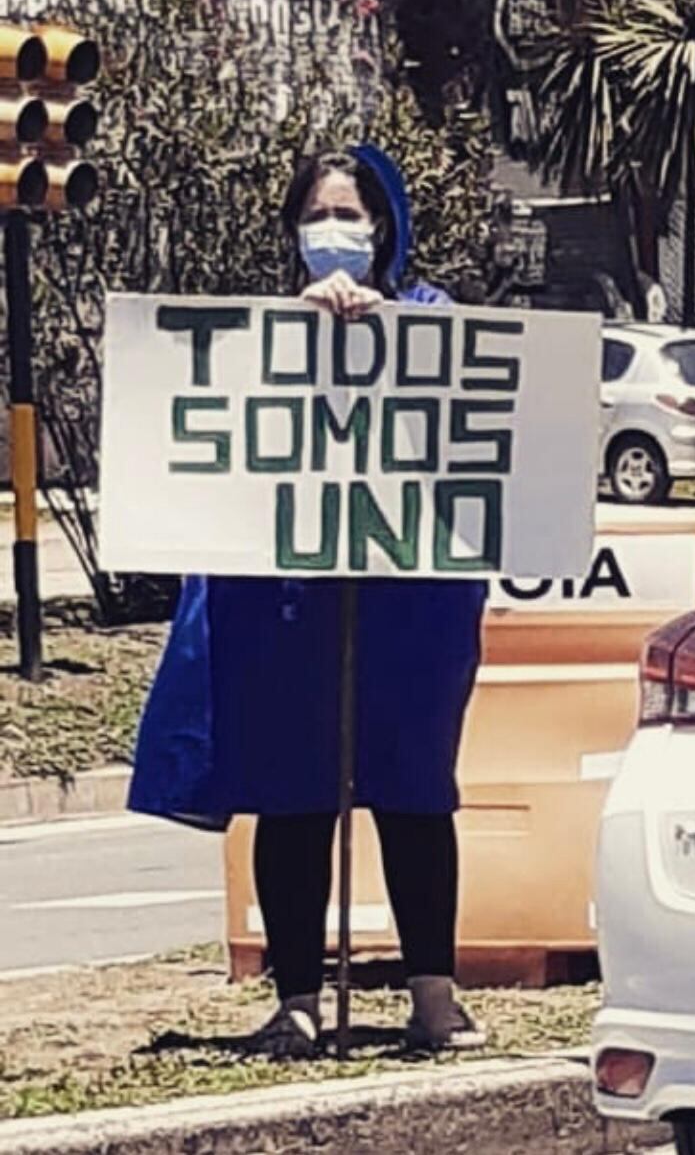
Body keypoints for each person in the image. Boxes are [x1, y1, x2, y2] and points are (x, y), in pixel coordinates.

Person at [128, 146, 489, 1059]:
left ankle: (433, 999)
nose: (336, 234)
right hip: (284, 605)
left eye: (352, 216)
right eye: (319, 216)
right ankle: (294, 998)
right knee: (291, 799)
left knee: (413, 794)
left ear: (385, 228)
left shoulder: (432, 317)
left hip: (407, 606)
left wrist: (388, 329)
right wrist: (291, 331)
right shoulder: (261, 327)